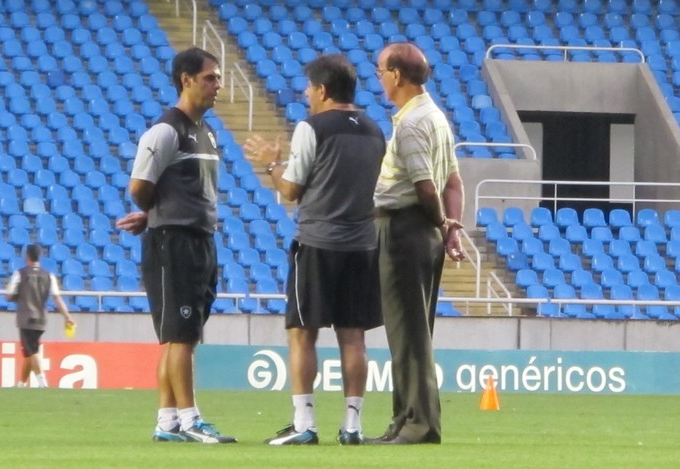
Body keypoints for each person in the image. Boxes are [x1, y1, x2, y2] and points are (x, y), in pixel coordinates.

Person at [243, 54, 386, 446]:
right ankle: (353, 426)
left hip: (319, 243)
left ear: (322, 90)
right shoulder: (375, 130)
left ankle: (304, 423)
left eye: (309, 88)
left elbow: (291, 190)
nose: (306, 95)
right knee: (353, 336)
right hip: (362, 245)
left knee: (301, 332)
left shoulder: (312, 128)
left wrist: (272, 164)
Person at [115, 47, 236, 444]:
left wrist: (154, 214)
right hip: (174, 243)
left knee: (179, 334)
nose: (217, 85)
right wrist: (156, 216)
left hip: (200, 239)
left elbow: (184, 191)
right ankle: (190, 419)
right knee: (181, 335)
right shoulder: (165, 131)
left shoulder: (208, 132)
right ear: (186, 80)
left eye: (217, 78)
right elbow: (139, 187)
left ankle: (167, 421)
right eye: (210, 78)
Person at [368, 42, 465, 445]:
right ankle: (405, 418)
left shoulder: (410, 124)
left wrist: (441, 222)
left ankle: (418, 425)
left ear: (396, 75)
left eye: (380, 71)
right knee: (413, 332)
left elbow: (427, 187)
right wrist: (451, 229)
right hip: (424, 230)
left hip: (405, 228)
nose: (379, 78)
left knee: (407, 335)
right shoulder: (436, 117)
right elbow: (453, 182)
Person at [5, 244, 74, 388]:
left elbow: (8, 295)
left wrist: (17, 295)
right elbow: (57, 298)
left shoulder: (20, 274)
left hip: (26, 318)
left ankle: (42, 382)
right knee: (29, 351)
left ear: (27, 256)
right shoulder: (49, 275)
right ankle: (21, 384)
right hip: (42, 319)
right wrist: (67, 316)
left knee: (32, 350)